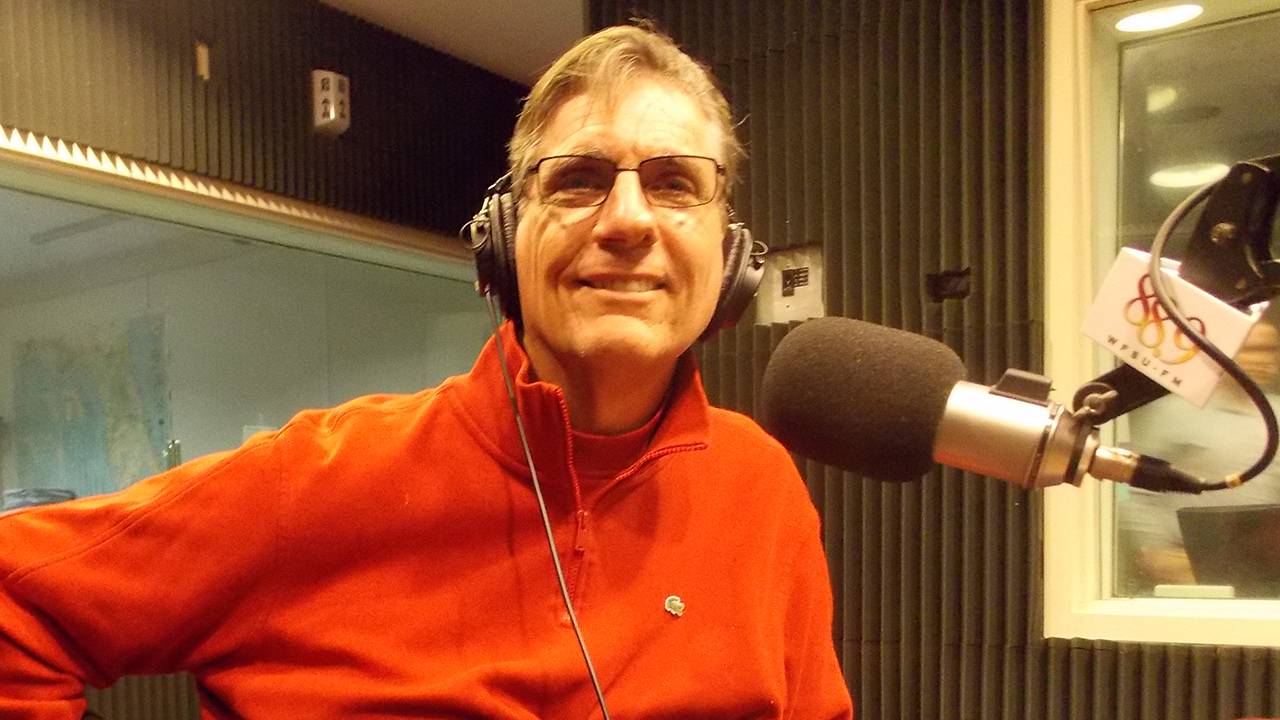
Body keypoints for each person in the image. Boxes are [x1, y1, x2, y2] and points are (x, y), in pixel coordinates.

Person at [0, 24, 854, 720]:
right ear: (505, 241)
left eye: (674, 184)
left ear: (731, 253)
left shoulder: (763, 492)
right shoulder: (319, 482)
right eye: (579, 180)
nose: (627, 219)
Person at [1116, 317, 1280, 592]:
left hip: (1263, 573)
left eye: (1269, 349)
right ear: (1220, 353)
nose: (1262, 359)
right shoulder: (1173, 413)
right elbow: (1126, 486)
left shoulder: (1276, 416)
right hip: (1186, 571)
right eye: (1250, 348)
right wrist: (1154, 551)